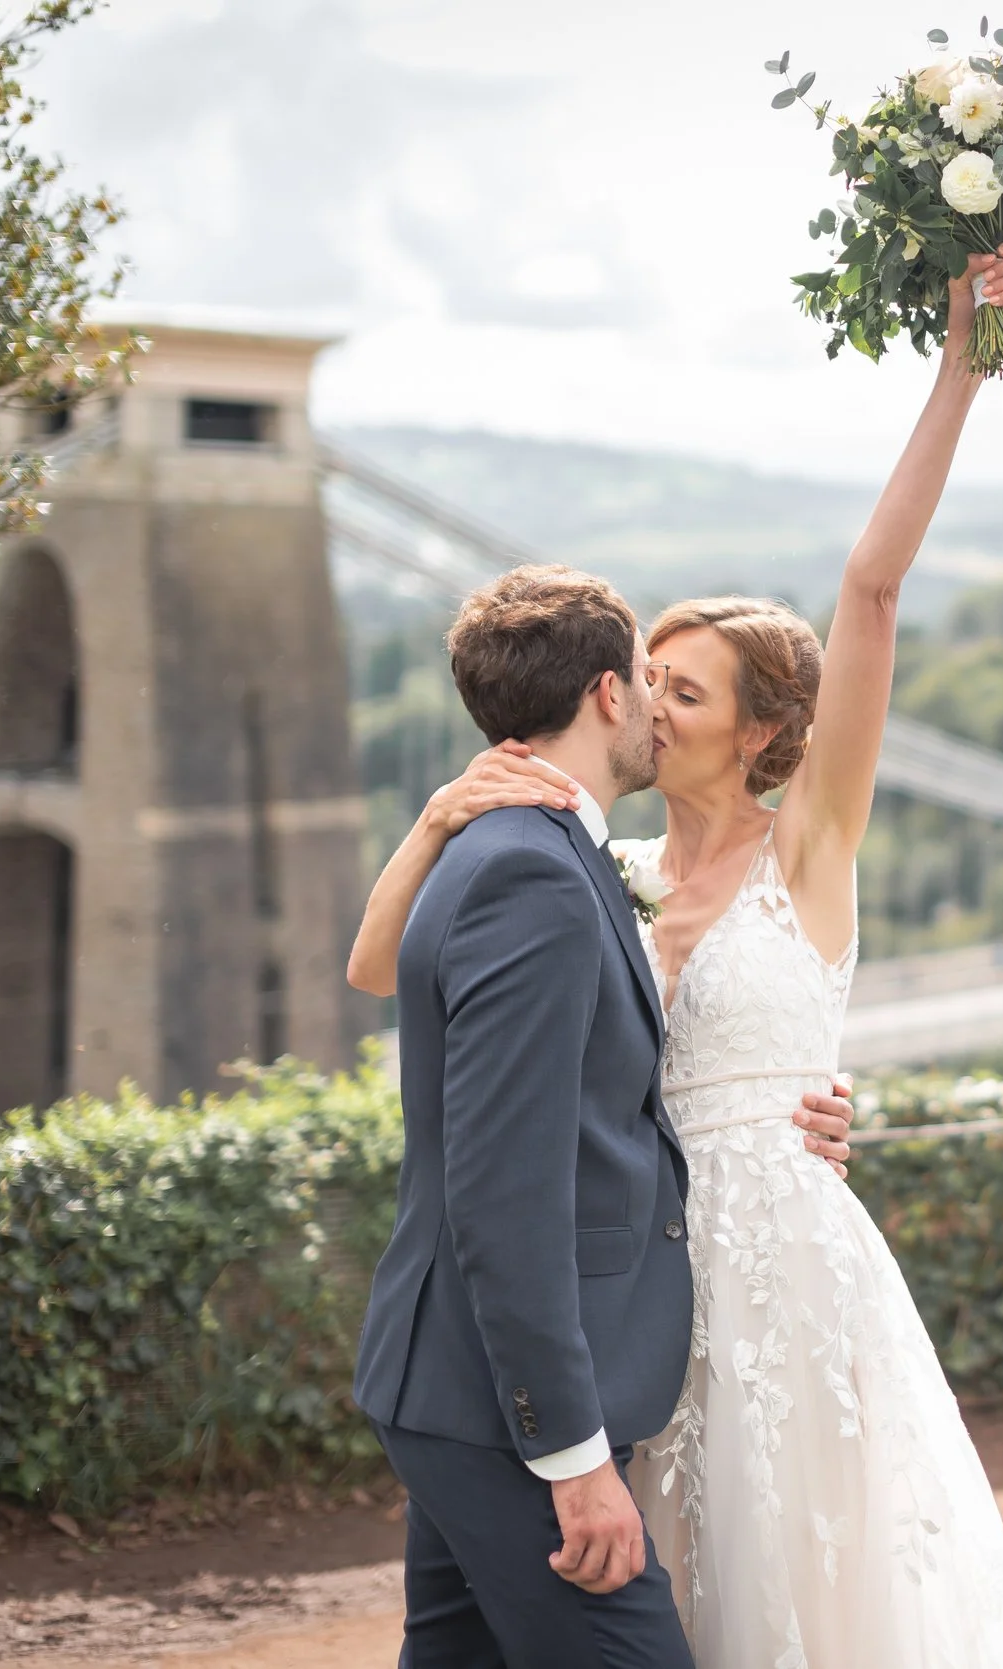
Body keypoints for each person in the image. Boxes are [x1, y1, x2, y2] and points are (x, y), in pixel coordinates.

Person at [355, 244, 1003, 1666]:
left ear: (756, 731)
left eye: (688, 689)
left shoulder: (810, 854)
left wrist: (959, 372)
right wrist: (438, 814)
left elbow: (868, 593)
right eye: (648, 682)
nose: (653, 707)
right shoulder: (591, 874)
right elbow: (378, 969)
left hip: (786, 1279)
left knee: (814, 1596)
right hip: (638, 1299)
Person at [348, 565, 856, 1669]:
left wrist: (788, 1109)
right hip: (506, 1406)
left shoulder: (545, 855)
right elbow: (502, 1195)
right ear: (608, 695)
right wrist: (574, 1458)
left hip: (470, 1386)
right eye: (647, 677)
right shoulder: (530, 871)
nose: (658, 705)